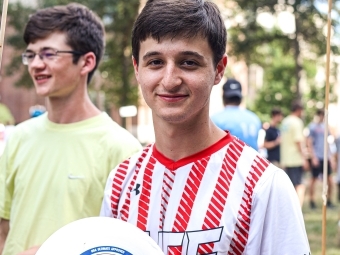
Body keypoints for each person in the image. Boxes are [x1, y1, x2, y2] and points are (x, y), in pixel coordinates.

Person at [100, 0, 310, 254]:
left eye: (188, 62)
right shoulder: (121, 181)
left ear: (219, 70)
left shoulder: (262, 186)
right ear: (137, 69)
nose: (169, 80)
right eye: (155, 62)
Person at [0, 4, 142, 255]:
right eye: (30, 55)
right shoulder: (18, 137)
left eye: (48, 54)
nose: (35, 64)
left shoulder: (122, 147)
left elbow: (128, 245)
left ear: (86, 62)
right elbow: (2, 228)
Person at [211, 78, 261, 151]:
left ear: (223, 97)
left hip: (228, 161)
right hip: (252, 161)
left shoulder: (214, 120)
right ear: (240, 98)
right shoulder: (254, 118)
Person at [280, 101, 308, 207]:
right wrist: (304, 158)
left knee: (289, 187)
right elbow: (298, 141)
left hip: (285, 159)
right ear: (299, 110)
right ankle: (297, 210)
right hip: (295, 159)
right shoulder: (297, 122)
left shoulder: (285, 122)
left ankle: (288, 208)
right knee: (300, 186)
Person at [306, 109, 334, 209]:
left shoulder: (326, 127)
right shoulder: (313, 127)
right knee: (313, 179)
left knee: (330, 180)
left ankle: (329, 201)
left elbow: (329, 142)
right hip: (317, 156)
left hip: (325, 157)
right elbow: (309, 142)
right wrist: (313, 157)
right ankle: (312, 201)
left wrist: (330, 157)